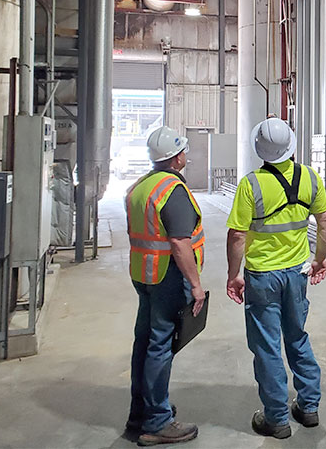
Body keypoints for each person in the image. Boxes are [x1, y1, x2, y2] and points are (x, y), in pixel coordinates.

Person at [226, 117, 326, 440]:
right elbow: (325, 222)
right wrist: (319, 260)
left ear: (260, 148)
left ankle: (276, 419)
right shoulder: (310, 179)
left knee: (268, 346)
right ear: (291, 145)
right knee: (297, 336)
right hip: (298, 273)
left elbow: (236, 236)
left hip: (262, 277)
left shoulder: (251, 185)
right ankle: (309, 407)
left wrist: (233, 275)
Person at [124, 126, 206, 446]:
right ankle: (157, 421)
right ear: (175, 158)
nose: (186, 155)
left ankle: (140, 413)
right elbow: (179, 243)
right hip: (166, 277)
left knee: (144, 343)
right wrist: (196, 286)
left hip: (143, 275)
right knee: (160, 345)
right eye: (182, 150)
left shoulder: (141, 186)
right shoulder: (172, 190)